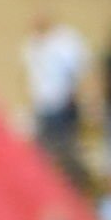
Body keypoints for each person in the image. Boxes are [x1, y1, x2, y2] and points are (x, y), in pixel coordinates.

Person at [23, 12, 88, 176]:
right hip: (43, 104)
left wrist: (75, 96)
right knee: (46, 150)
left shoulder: (64, 42)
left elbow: (77, 70)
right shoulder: (31, 45)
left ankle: (72, 178)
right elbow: (31, 77)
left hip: (62, 102)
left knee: (66, 147)